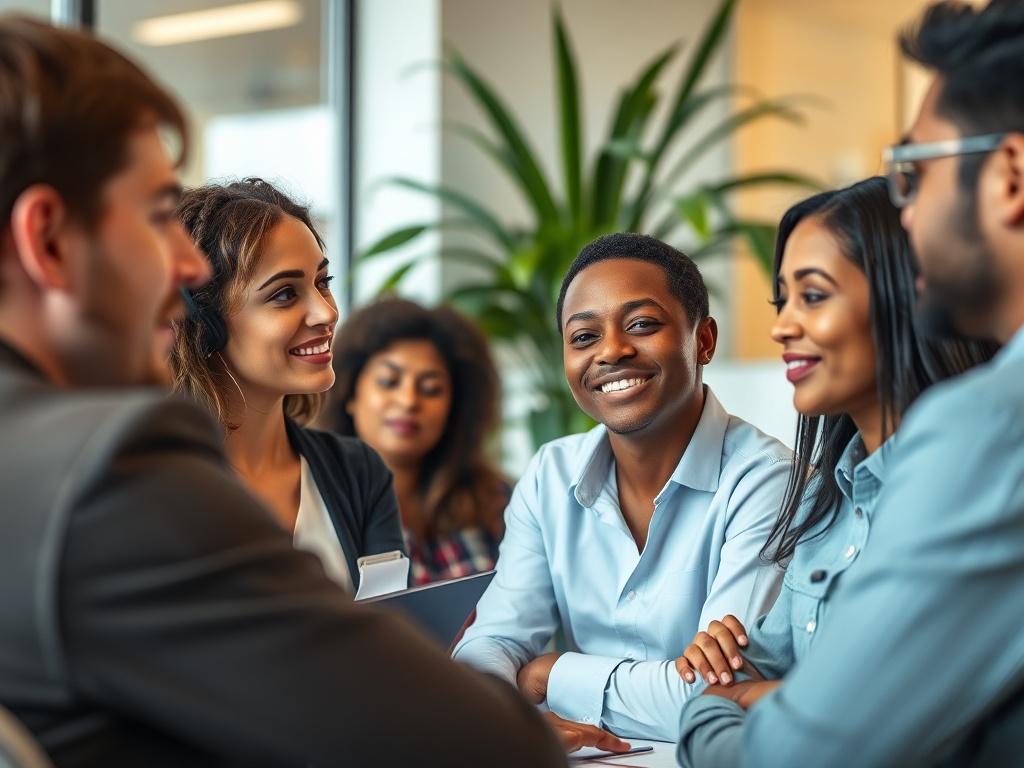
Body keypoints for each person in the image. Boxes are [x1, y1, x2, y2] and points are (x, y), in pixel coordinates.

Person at [0, 16, 570, 766]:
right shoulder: (109, 468)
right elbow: (479, 745)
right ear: (46, 240)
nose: (187, 268)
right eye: (156, 218)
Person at [677, 2, 1024, 764]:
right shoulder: (830, 492)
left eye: (916, 172)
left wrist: (705, 714)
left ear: (1009, 176)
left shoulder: (986, 431)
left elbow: (800, 754)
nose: (909, 213)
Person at [453, 232, 793, 743]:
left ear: (703, 340)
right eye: (584, 337)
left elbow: (720, 694)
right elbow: (491, 642)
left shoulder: (768, 481)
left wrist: (550, 675)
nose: (612, 350)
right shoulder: (551, 475)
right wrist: (506, 715)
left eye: (642, 325)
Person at [171, 179, 403, 592]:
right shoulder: (154, 490)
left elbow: (399, 629)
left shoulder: (358, 473)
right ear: (204, 327)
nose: (326, 313)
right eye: (283, 295)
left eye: (323, 282)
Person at [327, 297, 507, 585]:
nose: (409, 401)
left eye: (431, 389)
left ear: (455, 407)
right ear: (350, 393)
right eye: (389, 381)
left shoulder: (498, 501)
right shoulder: (312, 502)